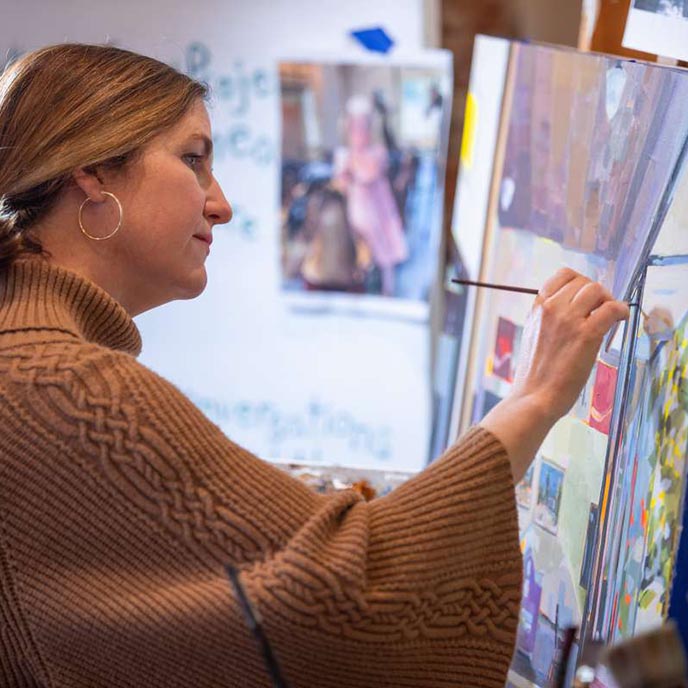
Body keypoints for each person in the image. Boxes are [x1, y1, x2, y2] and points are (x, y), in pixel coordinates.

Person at [0, 44, 629, 688]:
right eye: (193, 160)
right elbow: (358, 595)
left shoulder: (29, 362)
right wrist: (538, 395)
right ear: (93, 174)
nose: (221, 204)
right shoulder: (69, 391)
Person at [334, 95, 408, 297]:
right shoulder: (344, 154)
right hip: (356, 204)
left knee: (383, 246)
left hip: (378, 205)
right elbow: (341, 183)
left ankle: (387, 289)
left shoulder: (377, 152)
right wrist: (346, 174)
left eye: (362, 126)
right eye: (354, 127)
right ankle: (361, 284)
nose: (358, 132)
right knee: (360, 245)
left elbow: (370, 174)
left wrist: (354, 171)